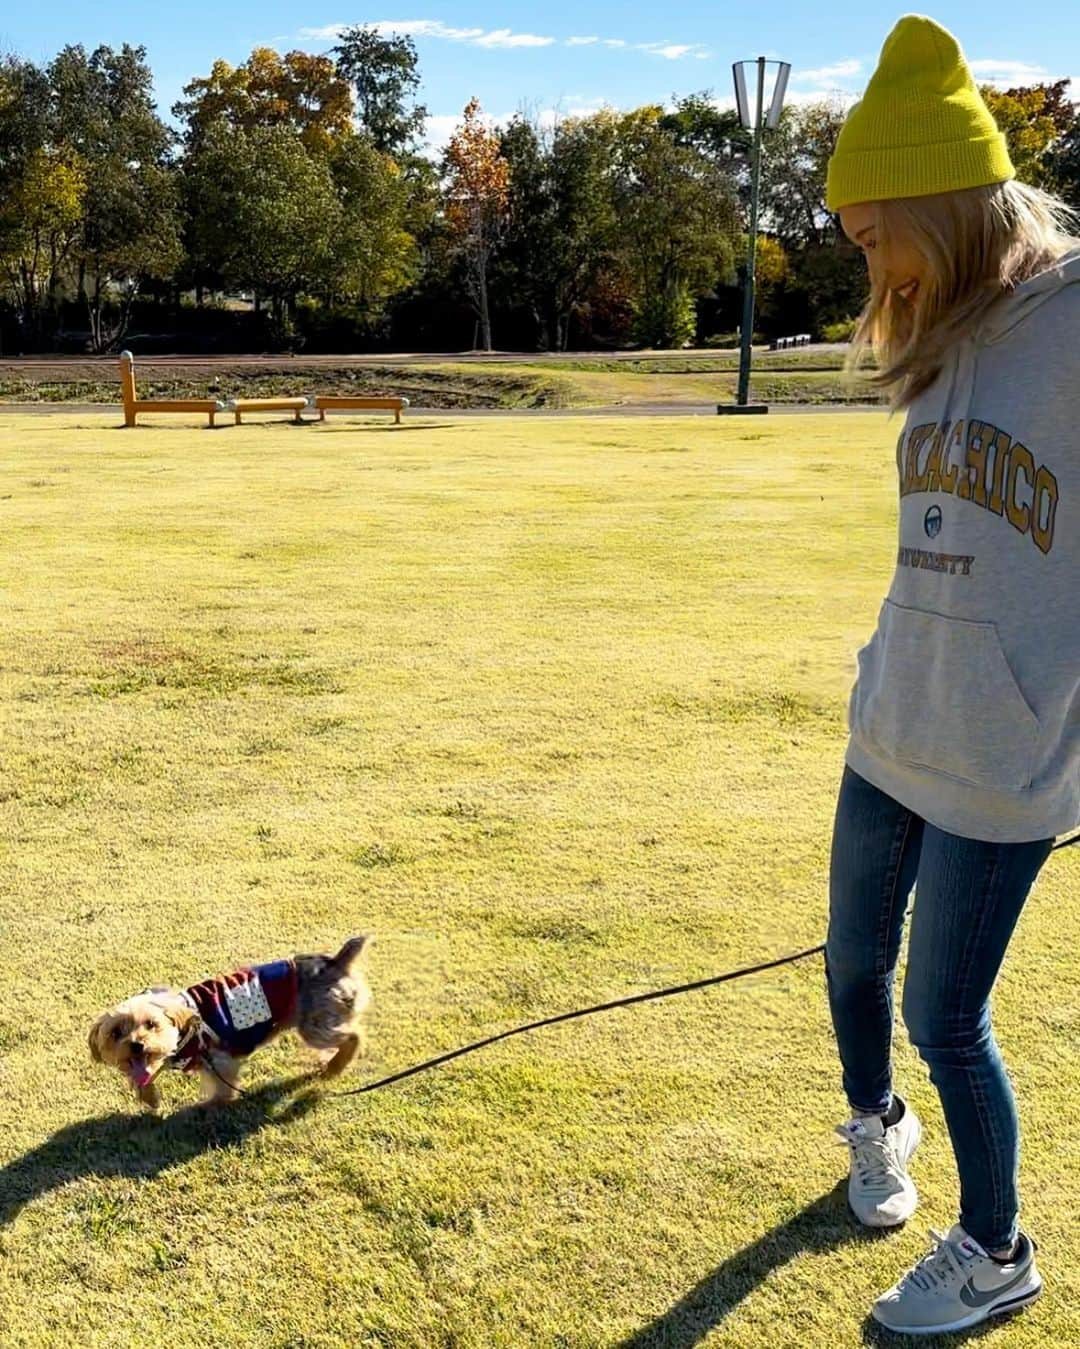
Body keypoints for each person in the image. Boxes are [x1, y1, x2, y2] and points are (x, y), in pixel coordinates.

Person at [822, 13, 1079, 1336]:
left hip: (1003, 756)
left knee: (946, 1011)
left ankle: (997, 1251)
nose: (867, 263)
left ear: (937, 196)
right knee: (852, 965)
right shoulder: (933, 332)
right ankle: (875, 1132)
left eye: (874, 233)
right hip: (894, 725)